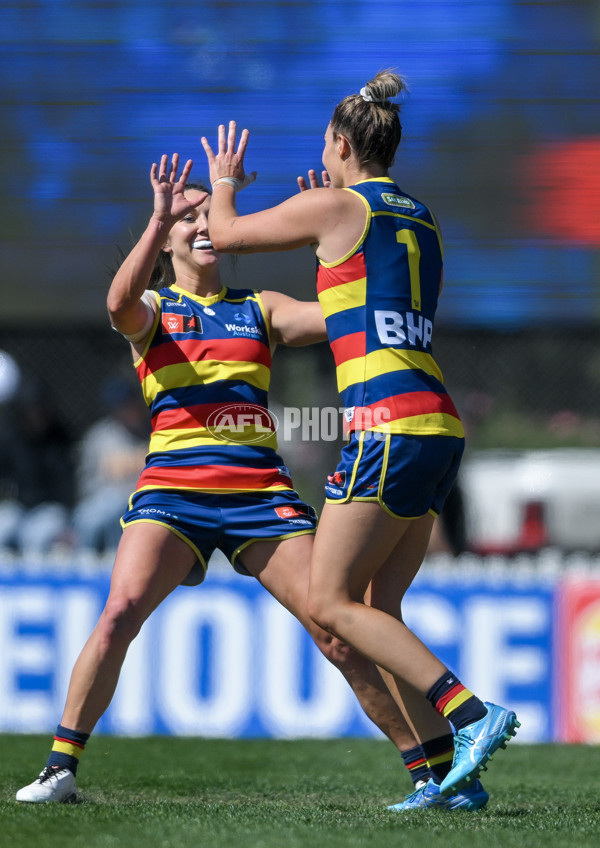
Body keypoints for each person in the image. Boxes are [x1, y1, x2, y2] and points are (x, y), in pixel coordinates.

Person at [16, 156, 474, 811]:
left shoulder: (259, 309)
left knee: (337, 632)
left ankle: (430, 776)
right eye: (187, 217)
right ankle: (62, 768)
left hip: (262, 499)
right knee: (119, 614)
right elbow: (117, 303)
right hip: (172, 497)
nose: (202, 224)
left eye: (207, 213)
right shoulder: (152, 309)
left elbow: (346, 316)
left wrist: (331, 243)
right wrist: (156, 215)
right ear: (167, 238)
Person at [200, 69, 519, 805]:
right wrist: (323, 223)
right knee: (378, 603)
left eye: (325, 144)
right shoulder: (420, 215)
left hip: (388, 425)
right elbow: (357, 300)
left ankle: (471, 714)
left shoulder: (336, 205)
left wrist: (225, 182)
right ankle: (450, 782)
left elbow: (225, 237)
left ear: (340, 144)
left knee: (329, 601)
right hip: (437, 423)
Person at [71, 375, 150, 554]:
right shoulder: (100, 436)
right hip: (104, 501)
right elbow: (89, 484)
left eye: (130, 404)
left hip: (144, 501)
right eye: (122, 406)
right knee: (95, 516)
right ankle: (86, 566)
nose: (128, 410)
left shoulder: (153, 432)